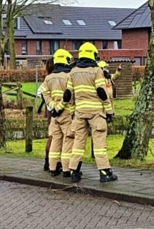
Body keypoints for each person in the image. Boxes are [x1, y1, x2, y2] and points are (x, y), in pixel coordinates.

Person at [65, 42, 117, 183]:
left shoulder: (73, 72)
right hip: (96, 113)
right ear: (93, 55)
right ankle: (105, 173)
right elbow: (102, 92)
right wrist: (109, 111)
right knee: (99, 143)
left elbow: (68, 95)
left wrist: (72, 112)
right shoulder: (96, 71)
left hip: (80, 113)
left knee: (78, 142)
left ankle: (74, 172)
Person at [38, 51, 74, 177]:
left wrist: (53, 107)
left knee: (55, 141)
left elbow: (44, 93)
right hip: (67, 113)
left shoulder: (48, 78)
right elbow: (70, 95)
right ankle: (66, 169)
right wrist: (60, 107)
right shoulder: (69, 76)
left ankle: (52, 168)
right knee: (68, 140)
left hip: (54, 115)